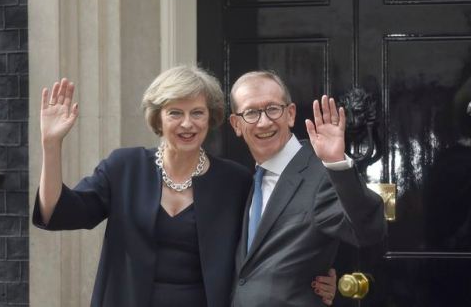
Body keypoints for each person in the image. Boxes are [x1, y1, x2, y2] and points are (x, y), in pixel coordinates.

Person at [32, 66, 337, 307]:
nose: (187, 124)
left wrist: (325, 272)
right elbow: (58, 213)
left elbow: (285, 228)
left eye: (197, 113)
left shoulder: (235, 181)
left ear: (212, 118)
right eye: (175, 113)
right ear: (158, 119)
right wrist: (51, 145)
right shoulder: (124, 168)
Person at [228, 71, 387, 307]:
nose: (264, 121)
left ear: (290, 114)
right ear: (236, 124)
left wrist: (336, 163)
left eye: (273, 109)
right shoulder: (244, 181)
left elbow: (368, 231)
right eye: (251, 112)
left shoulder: (320, 172)